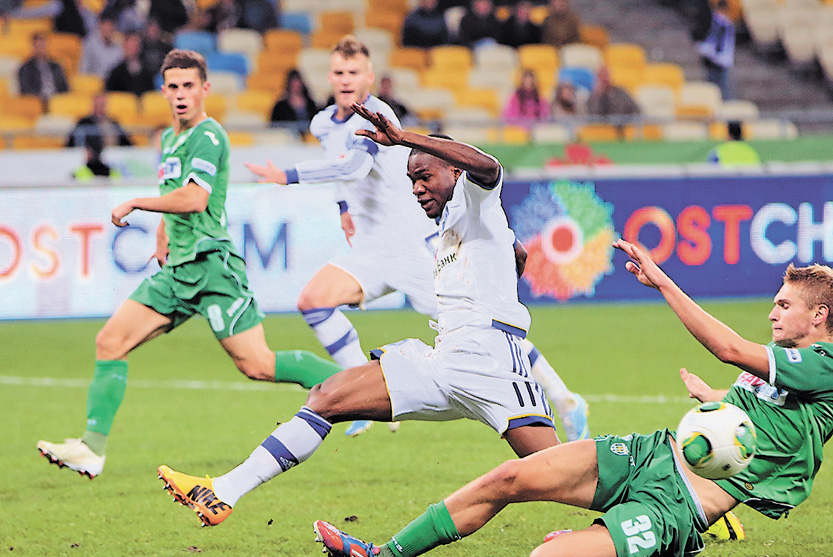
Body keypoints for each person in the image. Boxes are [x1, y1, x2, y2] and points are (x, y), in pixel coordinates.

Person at [157, 102, 598, 527]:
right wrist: (506, 262)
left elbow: (490, 166)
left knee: (562, 475)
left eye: (424, 176)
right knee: (327, 397)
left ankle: (641, 504)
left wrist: (403, 137)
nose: (417, 189)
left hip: (494, 365)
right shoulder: (452, 226)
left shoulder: (474, 194)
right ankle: (222, 492)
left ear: (454, 172)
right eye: (411, 182)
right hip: (444, 361)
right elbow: (516, 252)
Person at [313, 249, 833, 557]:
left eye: (784, 305)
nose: (772, 311)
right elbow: (755, 417)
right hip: (652, 454)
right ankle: (378, 556)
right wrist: (710, 398)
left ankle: (634, 546)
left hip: (678, 508)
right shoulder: (788, 367)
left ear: (819, 315)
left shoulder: (829, 368)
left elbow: (732, 350)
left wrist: (663, 282)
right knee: (510, 477)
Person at [246, 36, 589, 439]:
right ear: (330, 76)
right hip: (373, 249)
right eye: (339, 72)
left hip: (413, 248)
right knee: (313, 301)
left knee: (481, 328)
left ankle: (564, 397)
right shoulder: (322, 123)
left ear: (369, 76)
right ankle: (354, 387)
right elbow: (336, 167)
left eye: (354, 73)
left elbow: (354, 167)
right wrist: (343, 209)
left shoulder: (377, 114)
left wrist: (287, 176)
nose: (345, 80)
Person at [36, 49, 344, 480]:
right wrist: (162, 236)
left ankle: (357, 386)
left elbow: (195, 197)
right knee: (110, 342)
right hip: (178, 272)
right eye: (173, 87)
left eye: (189, 86)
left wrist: (137, 202)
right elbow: (175, 193)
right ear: (163, 91)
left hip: (214, 268)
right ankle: (91, 449)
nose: (181, 95)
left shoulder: (209, 136)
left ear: (204, 89)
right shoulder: (168, 139)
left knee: (258, 365)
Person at [66, 91, 133, 149]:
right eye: (98, 104)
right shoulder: (84, 122)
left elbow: (126, 142)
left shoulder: (113, 122)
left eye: (102, 104)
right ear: (93, 105)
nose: (100, 107)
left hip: (114, 154)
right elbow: (71, 142)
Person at [696, 0, 735, 101]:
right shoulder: (719, 22)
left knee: (719, 86)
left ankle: (723, 104)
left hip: (719, 57)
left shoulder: (723, 23)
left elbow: (721, 41)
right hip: (717, 57)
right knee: (715, 86)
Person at [17, 32, 70, 104]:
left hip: (57, 101)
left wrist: (57, 97)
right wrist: (42, 98)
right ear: (32, 47)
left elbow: (65, 88)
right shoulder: (25, 68)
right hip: (37, 102)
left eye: (42, 46)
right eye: (38, 46)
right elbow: (25, 90)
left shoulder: (56, 66)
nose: (40, 49)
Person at [105, 31, 156, 96]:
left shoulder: (147, 72)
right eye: (131, 45)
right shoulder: (116, 72)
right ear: (124, 46)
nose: (134, 48)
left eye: (136, 44)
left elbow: (150, 93)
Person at [269, 69, 319, 135]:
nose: (296, 85)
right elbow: (274, 125)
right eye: (294, 82)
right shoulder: (280, 106)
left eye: (298, 82)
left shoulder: (310, 104)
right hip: (288, 140)